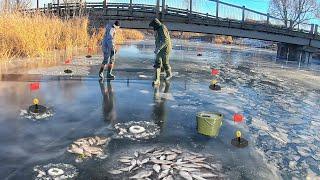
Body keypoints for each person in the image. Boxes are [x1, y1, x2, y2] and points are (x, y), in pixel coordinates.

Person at [149, 18, 172, 86]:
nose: (153, 28)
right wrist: (157, 47)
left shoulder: (162, 28)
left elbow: (165, 40)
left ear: (156, 24)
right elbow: (158, 39)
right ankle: (157, 80)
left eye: (153, 26)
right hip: (159, 48)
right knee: (158, 62)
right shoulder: (158, 29)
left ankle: (169, 74)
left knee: (165, 63)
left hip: (165, 49)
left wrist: (158, 48)